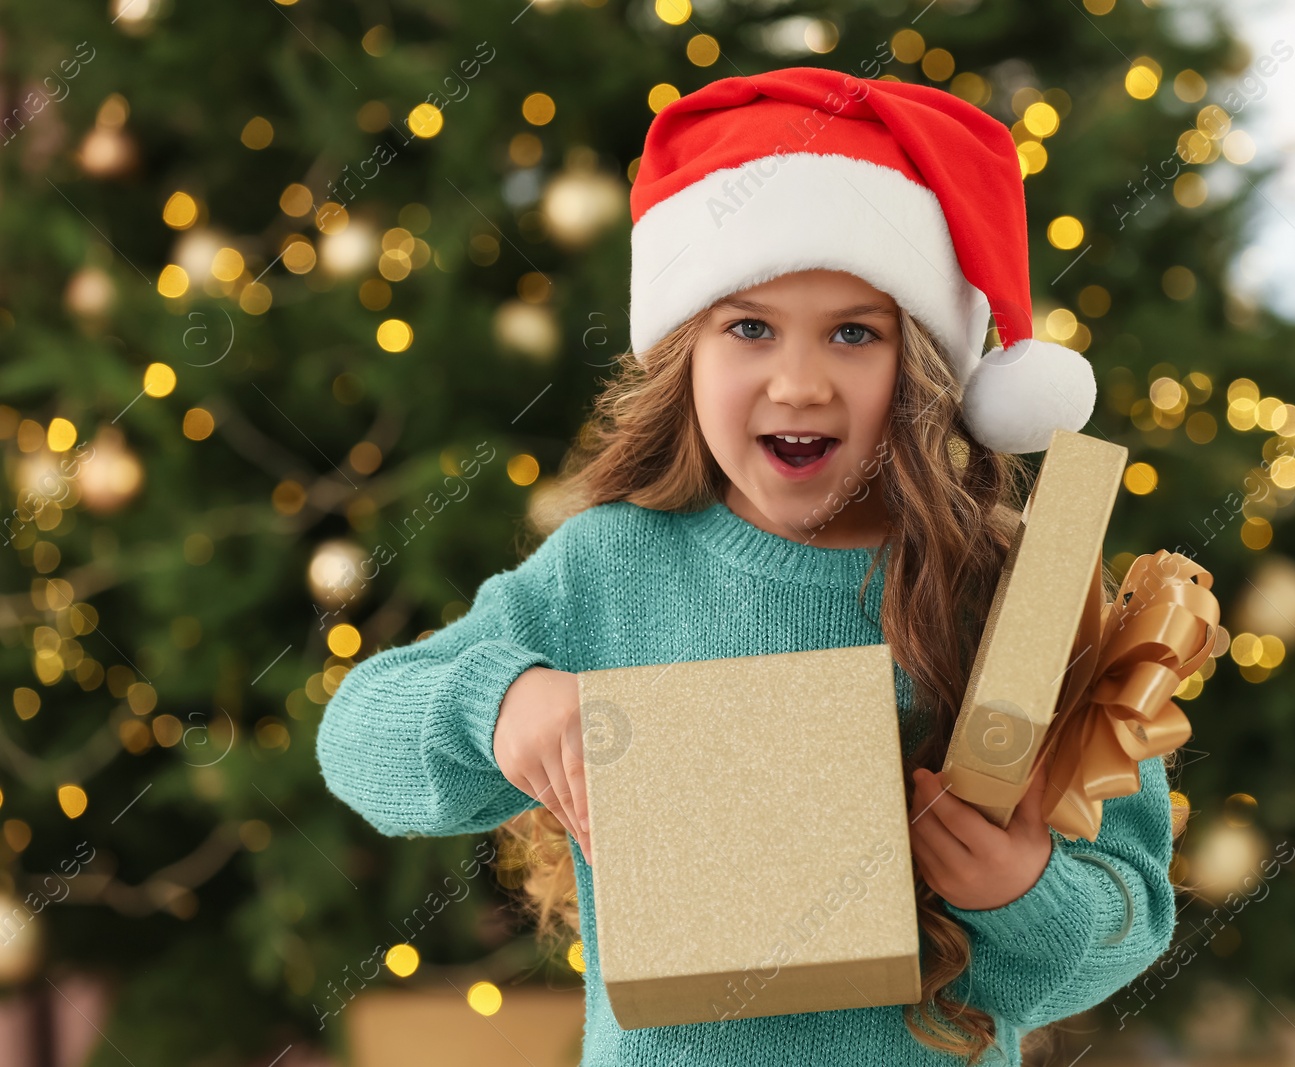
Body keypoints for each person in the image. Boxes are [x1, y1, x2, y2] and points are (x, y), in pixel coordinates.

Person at [316, 66, 1176, 1066]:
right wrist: (498, 703)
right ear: (686, 353)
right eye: (749, 327)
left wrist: (1026, 893)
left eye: (855, 332)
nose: (799, 381)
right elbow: (356, 736)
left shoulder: (1015, 592)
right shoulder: (607, 568)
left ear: (924, 367)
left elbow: (1130, 914)